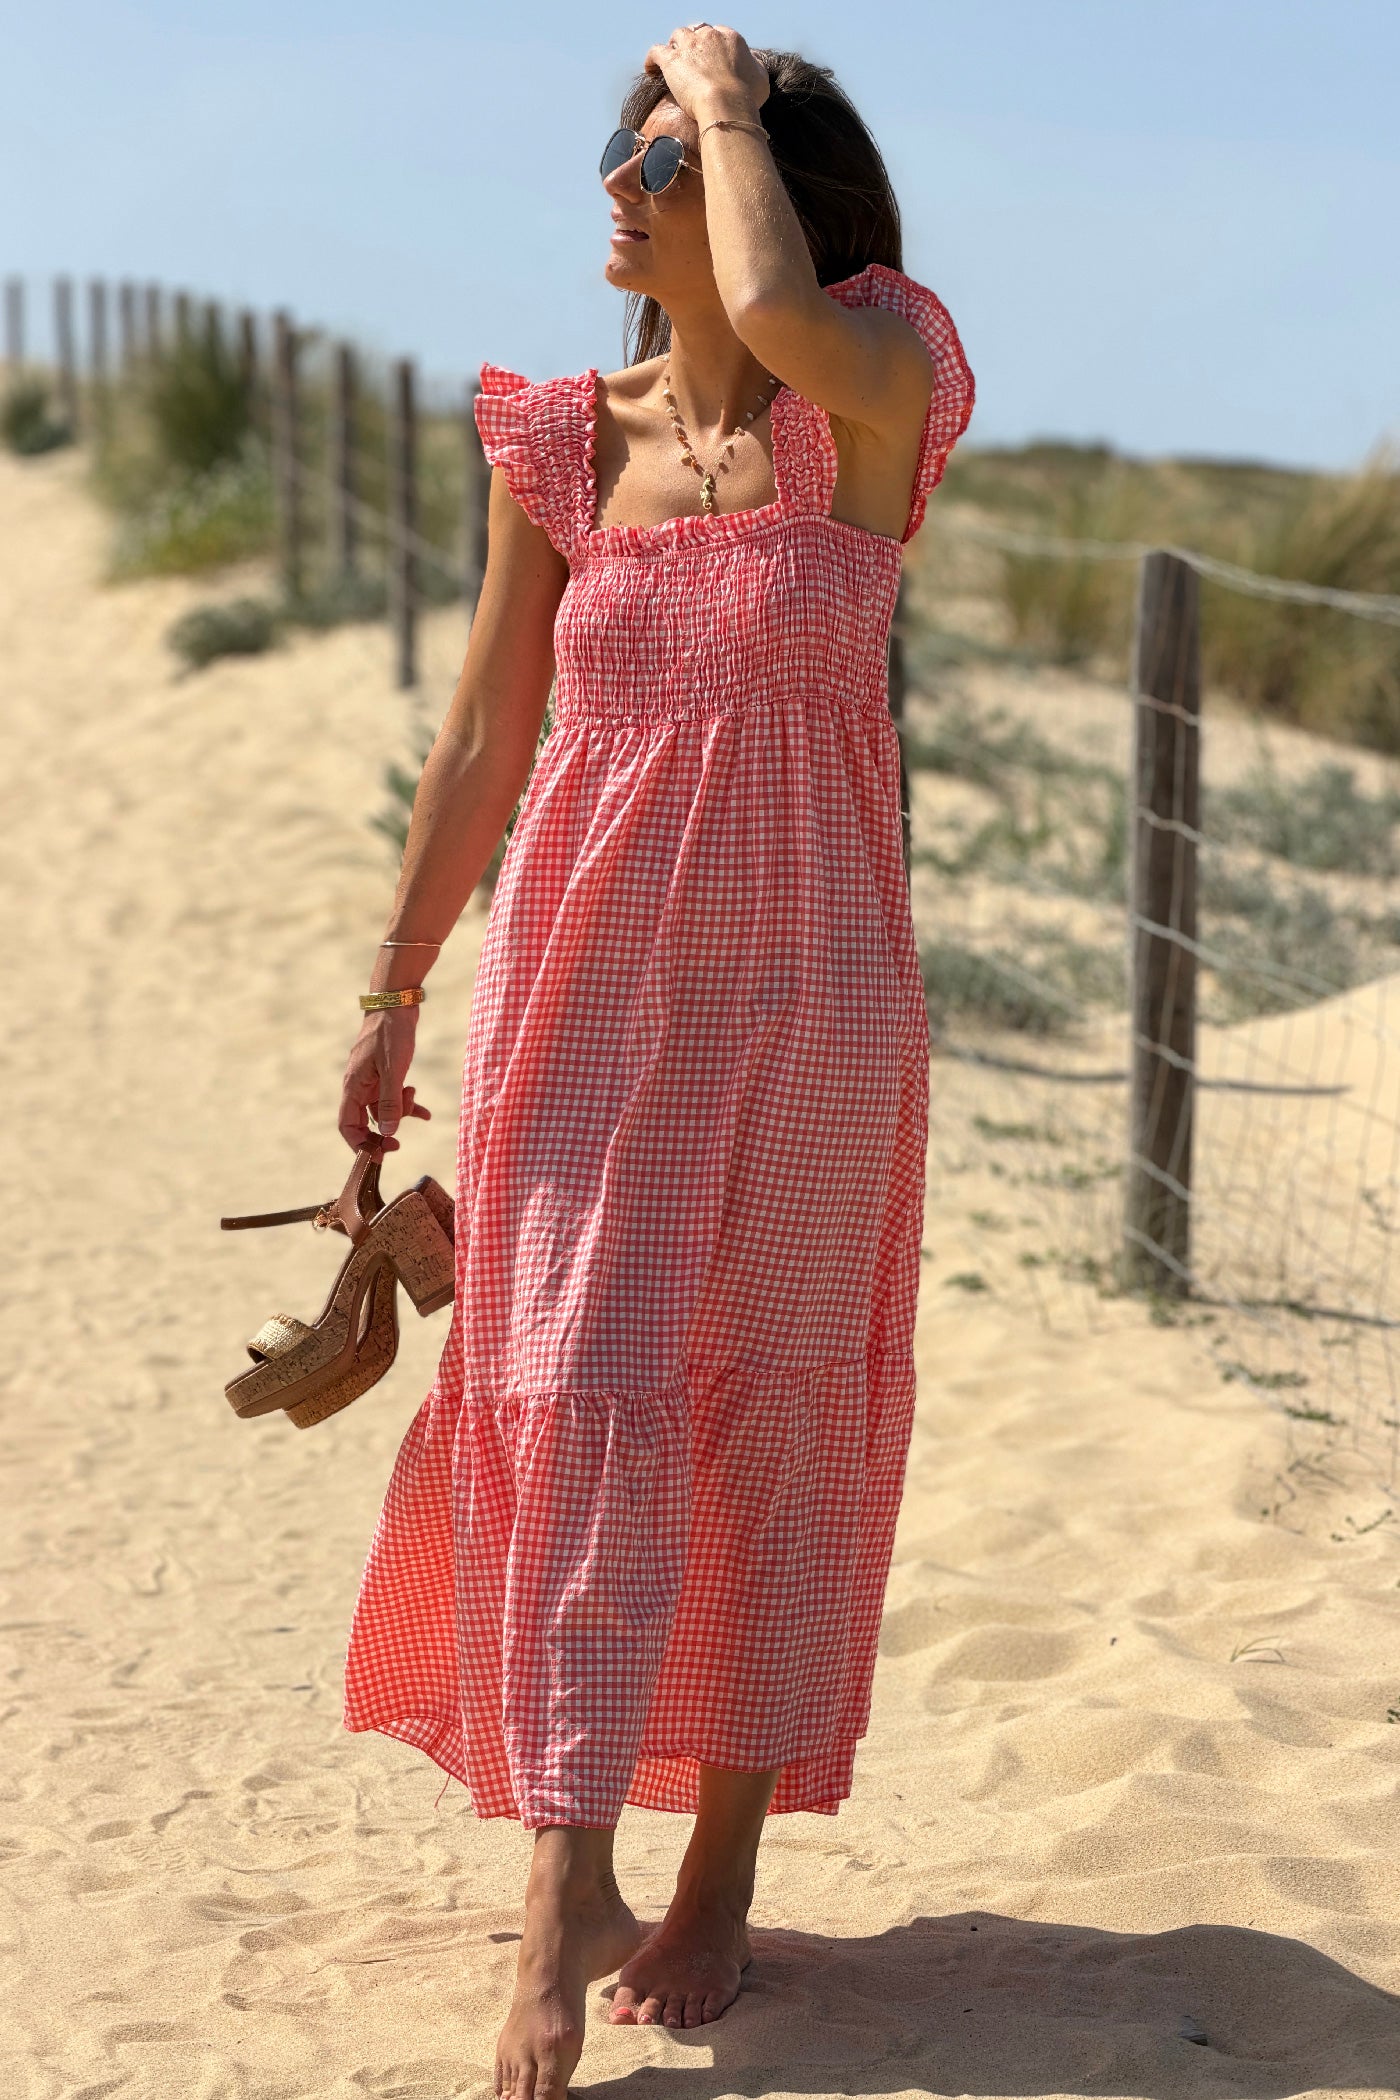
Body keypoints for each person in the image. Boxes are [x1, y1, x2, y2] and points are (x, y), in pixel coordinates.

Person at [335, 24, 973, 2100]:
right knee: (577, 1390)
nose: (616, 180)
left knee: (766, 1407)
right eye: (620, 146)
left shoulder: (871, 387)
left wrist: (717, 91)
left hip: (808, 1007)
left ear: (759, 184)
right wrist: (393, 985)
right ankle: (558, 1894)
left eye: (661, 155)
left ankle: (714, 1872)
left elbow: (776, 306)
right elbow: (479, 743)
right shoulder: (557, 440)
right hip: (589, 1002)